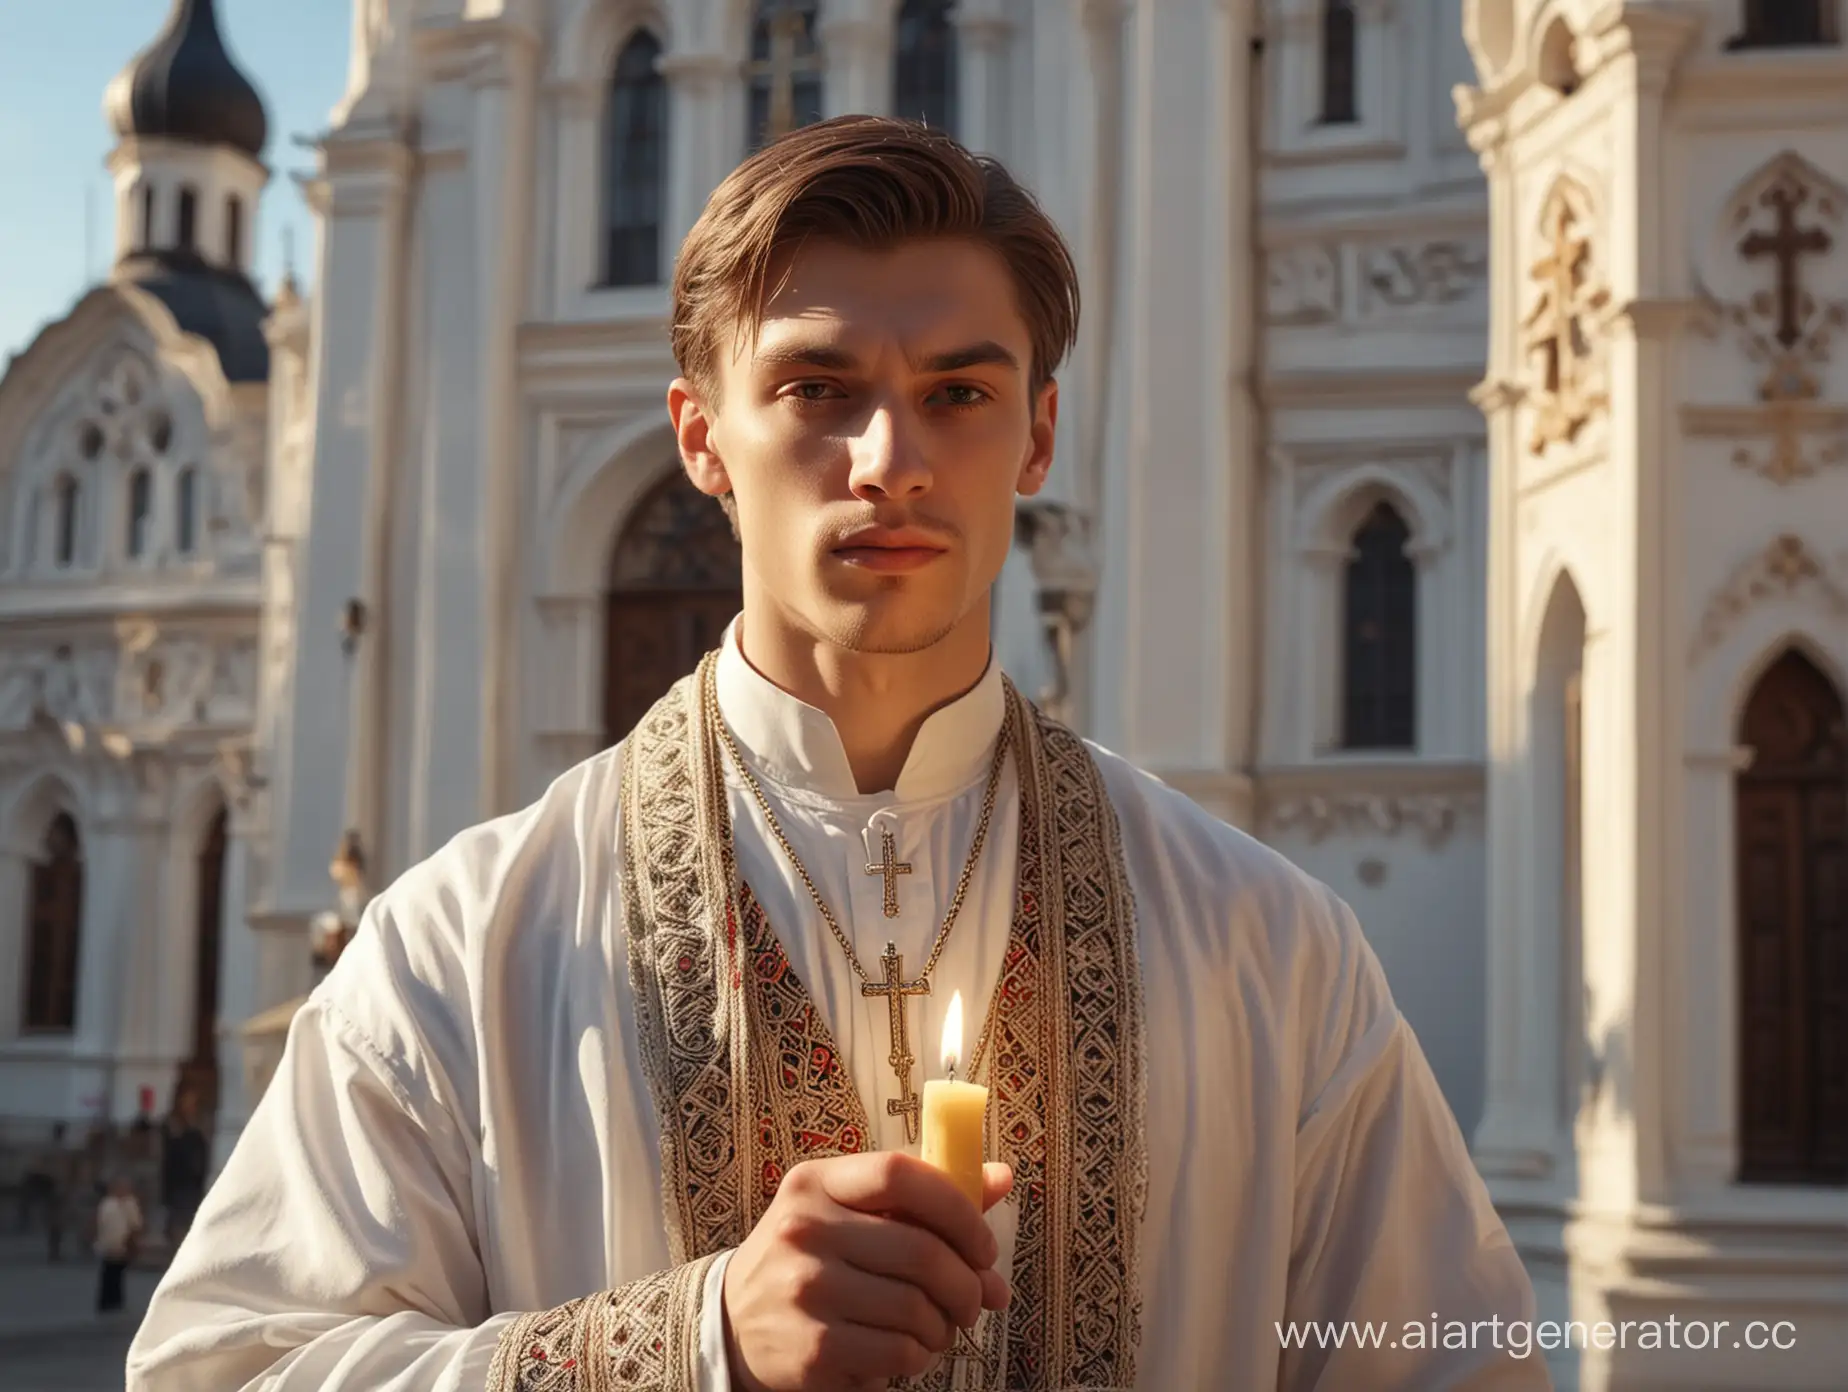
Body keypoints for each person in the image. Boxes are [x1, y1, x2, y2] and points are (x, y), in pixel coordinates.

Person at [128, 116, 1547, 1390]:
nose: (891, 456)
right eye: (818, 388)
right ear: (703, 440)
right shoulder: (462, 954)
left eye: (961, 392)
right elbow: (226, 1368)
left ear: (1039, 435)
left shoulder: (1261, 952)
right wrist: (690, 1347)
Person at [158, 1086, 210, 1247]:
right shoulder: (173, 1125)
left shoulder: (198, 1125)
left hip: (193, 1181)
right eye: (187, 1102)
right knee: (178, 1218)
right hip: (176, 1179)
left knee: (189, 1218)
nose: (189, 1106)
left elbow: (201, 1149)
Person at [94, 1176, 143, 1315]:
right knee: (108, 1273)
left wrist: (133, 1240)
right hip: (109, 1243)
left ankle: (116, 1301)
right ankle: (105, 1302)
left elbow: (135, 1223)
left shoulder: (129, 1203)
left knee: (118, 1273)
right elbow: (103, 1224)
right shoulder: (108, 1204)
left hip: (123, 1243)